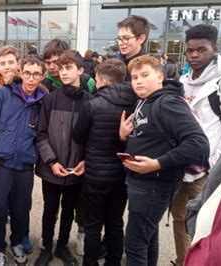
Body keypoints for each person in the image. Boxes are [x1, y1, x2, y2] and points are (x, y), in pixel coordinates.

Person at [119, 55, 209, 266]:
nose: (138, 81)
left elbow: (198, 143)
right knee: (148, 239)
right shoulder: (145, 101)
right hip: (142, 184)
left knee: (134, 245)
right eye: (134, 77)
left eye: (144, 75)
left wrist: (158, 163)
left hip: (154, 186)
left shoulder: (167, 102)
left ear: (160, 77)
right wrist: (124, 136)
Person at [0, 56, 47, 266]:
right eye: (27, 73)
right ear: (20, 72)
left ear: (41, 76)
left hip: (25, 165)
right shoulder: (3, 93)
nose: (31, 78)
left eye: (36, 74)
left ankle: (16, 242)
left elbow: (43, 134)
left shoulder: (44, 100)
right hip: (0, 163)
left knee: (21, 209)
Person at [73, 59, 137, 266]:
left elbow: (78, 136)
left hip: (95, 174)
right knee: (115, 222)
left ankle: (90, 262)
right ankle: (113, 261)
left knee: (93, 224)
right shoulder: (135, 104)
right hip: (122, 174)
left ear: (100, 79)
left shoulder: (92, 104)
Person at [174, 24, 221, 266]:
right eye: (190, 50)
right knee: (179, 219)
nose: (194, 55)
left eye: (201, 50)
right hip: (180, 164)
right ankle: (181, 259)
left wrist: (213, 164)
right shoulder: (183, 81)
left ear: (214, 49)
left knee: (203, 224)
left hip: (207, 171)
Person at [34, 50, 92, 266]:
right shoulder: (50, 99)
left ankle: (62, 246)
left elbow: (92, 138)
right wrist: (51, 161)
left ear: (80, 70)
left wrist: (84, 161)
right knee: (50, 208)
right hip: (53, 168)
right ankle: (47, 246)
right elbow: (41, 135)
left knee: (69, 209)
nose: (64, 72)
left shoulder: (89, 101)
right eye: (62, 67)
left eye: (69, 68)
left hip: (76, 169)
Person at [115, 15, 150, 81]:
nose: (120, 43)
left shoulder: (152, 69)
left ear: (141, 39)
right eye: (119, 38)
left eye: (126, 38)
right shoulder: (112, 65)